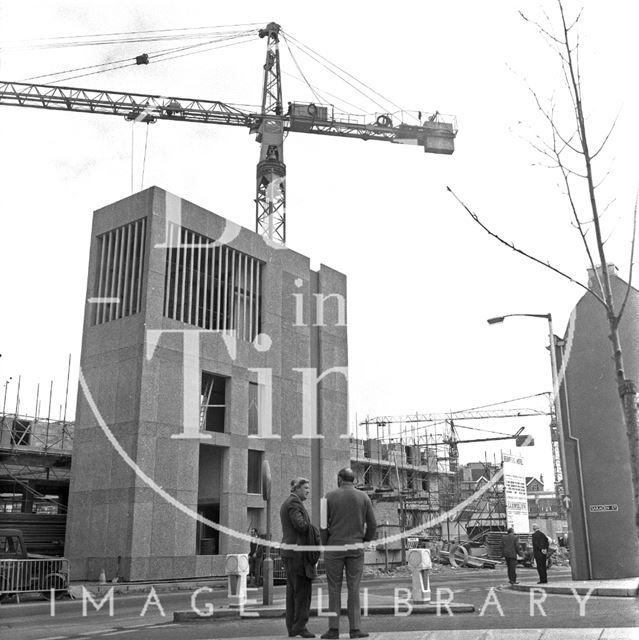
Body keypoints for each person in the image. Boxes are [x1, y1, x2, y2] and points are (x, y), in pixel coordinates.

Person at [321, 467, 377, 640]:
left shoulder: (328, 497)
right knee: (354, 588)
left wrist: (326, 543)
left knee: (333, 588)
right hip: (355, 548)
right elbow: (372, 524)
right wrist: (365, 540)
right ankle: (355, 629)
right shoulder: (363, 497)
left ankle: (333, 630)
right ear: (353, 480)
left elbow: (323, 525)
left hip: (334, 547)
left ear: (339, 479)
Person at [280, 477, 315, 639]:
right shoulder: (294, 504)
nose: (308, 490)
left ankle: (292, 628)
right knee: (302, 592)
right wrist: (313, 529)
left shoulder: (288, 502)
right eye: (305, 488)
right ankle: (300, 626)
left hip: (290, 553)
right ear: (296, 489)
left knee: (292, 592)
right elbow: (300, 525)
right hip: (297, 555)